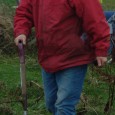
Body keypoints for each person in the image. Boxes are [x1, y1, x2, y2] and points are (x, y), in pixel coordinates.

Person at [14, 0, 110, 114]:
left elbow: (94, 17)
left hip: (74, 56)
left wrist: (101, 47)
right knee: (51, 103)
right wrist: (21, 31)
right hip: (47, 56)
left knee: (64, 106)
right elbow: (24, 12)